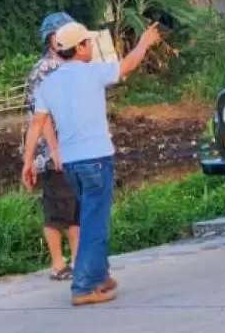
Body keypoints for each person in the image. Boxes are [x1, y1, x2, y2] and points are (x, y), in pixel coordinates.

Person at [22, 21, 162, 307]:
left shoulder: (48, 84)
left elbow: (36, 126)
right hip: (96, 159)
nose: (91, 47)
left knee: (91, 218)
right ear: (81, 47)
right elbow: (128, 64)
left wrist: (28, 162)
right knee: (93, 224)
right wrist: (145, 42)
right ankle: (83, 286)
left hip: (71, 164)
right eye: (88, 42)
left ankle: (99, 276)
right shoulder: (92, 73)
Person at [23, 11, 80, 281]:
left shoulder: (71, 66)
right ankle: (58, 263)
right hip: (51, 153)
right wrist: (54, 149)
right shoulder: (44, 70)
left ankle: (80, 260)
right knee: (58, 209)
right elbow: (41, 116)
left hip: (74, 148)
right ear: (52, 39)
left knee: (76, 207)